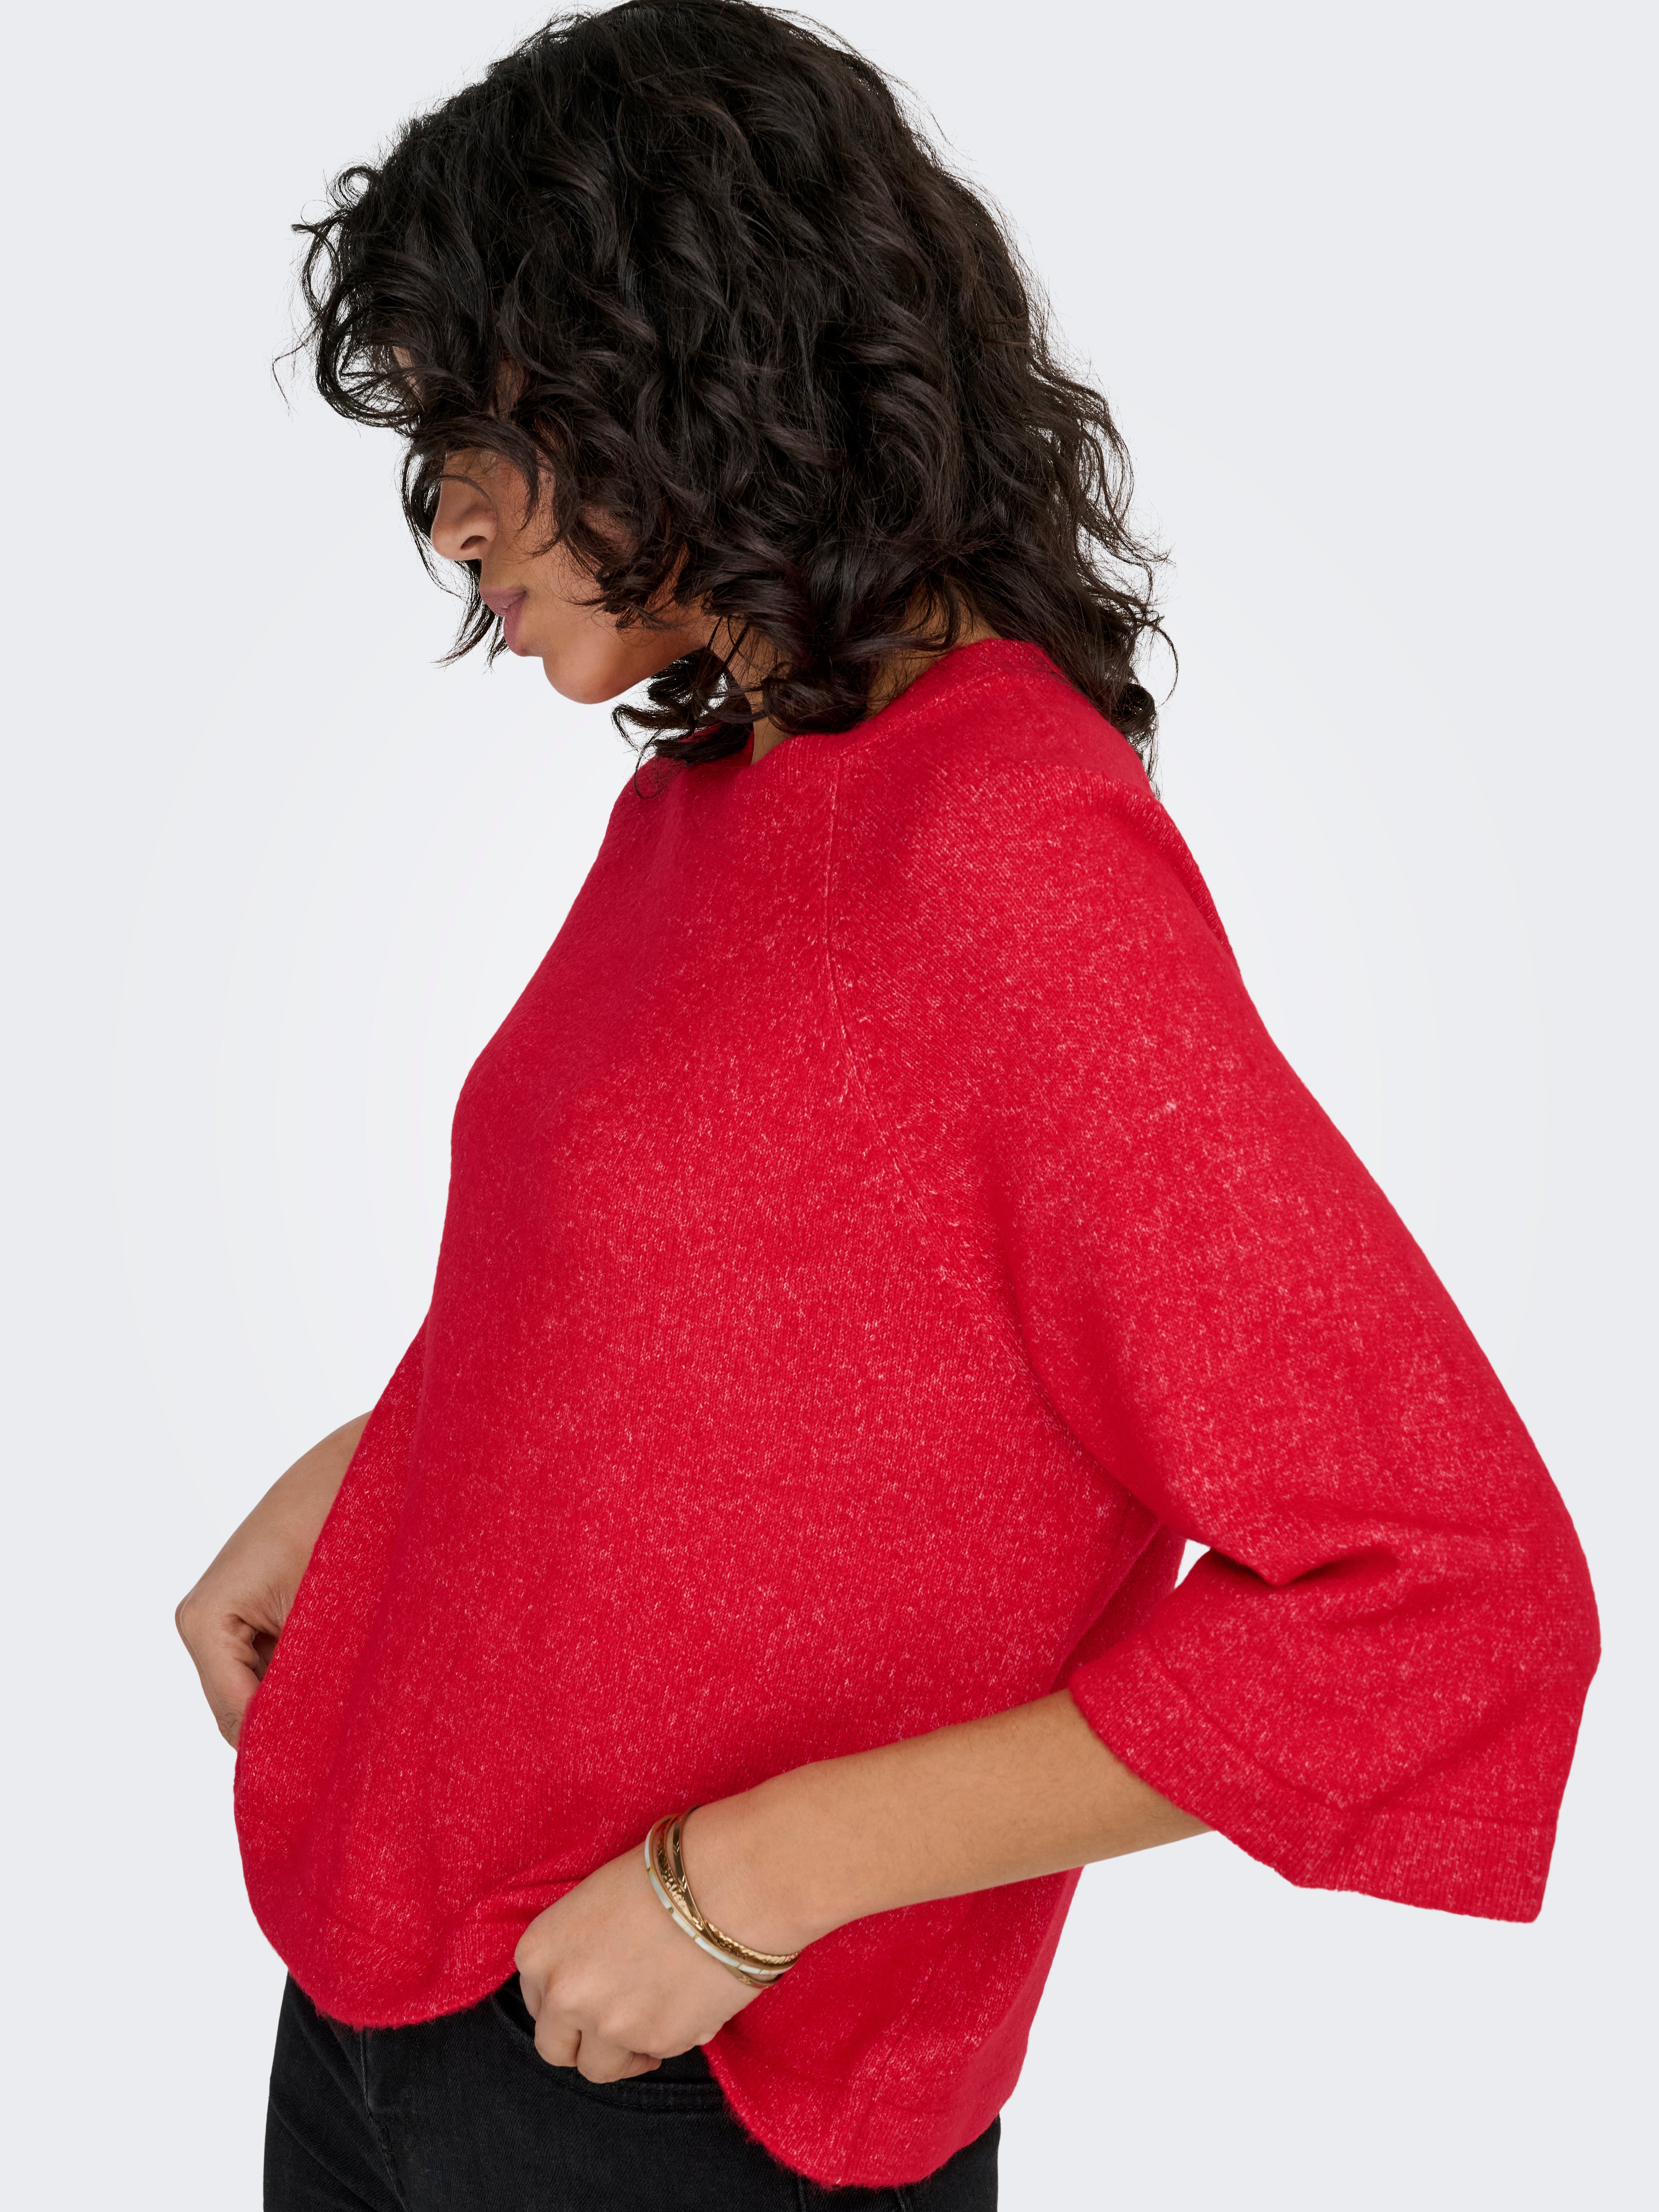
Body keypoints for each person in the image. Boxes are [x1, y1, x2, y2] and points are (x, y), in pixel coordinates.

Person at [175, 5, 1600, 2206]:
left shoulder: (1003, 853)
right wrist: (376, 1468)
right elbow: (760, 1314)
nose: (448, 520)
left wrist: (750, 1882)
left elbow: (1441, 1590)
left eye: (485, 429)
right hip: (389, 1988)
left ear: (692, 365)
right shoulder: (718, 798)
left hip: (683, 2080)